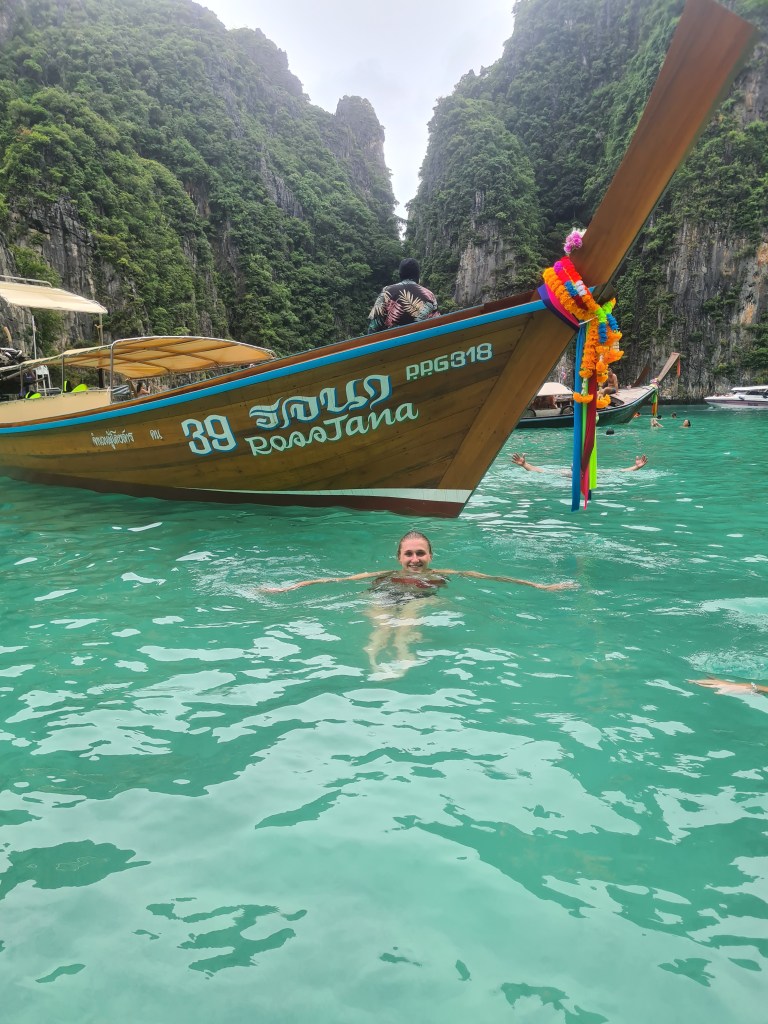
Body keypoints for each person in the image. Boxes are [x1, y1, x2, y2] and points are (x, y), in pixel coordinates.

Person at [264, 531, 576, 679]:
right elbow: (336, 580)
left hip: (417, 597)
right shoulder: (383, 574)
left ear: (430, 556)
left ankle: (403, 658)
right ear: (399, 557)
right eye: (409, 554)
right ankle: (374, 660)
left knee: (406, 624)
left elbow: (491, 577)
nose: (415, 559)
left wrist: (539, 586)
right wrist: (291, 587)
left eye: (420, 553)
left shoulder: (443, 573)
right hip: (384, 594)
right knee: (380, 627)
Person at [367, 258, 439, 334]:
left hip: (393, 340)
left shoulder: (387, 291)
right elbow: (436, 326)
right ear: (418, 276)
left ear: (400, 275)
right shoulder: (429, 295)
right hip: (422, 340)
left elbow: (373, 327)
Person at [511, 453, 647, 473]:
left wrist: (636, 467)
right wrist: (525, 465)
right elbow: (540, 471)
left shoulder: (595, 473)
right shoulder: (566, 473)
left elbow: (620, 472)